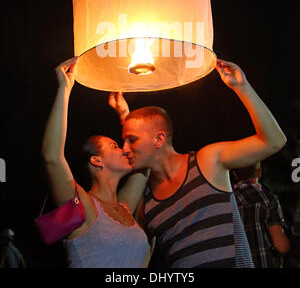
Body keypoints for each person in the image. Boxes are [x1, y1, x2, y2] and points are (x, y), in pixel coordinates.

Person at [111, 59, 287, 268]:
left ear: (159, 139)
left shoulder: (206, 162)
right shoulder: (147, 204)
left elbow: (274, 141)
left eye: (132, 140)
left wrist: (242, 87)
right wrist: (126, 118)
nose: (124, 148)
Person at [41, 56, 153, 268]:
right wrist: (64, 90)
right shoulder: (81, 205)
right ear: (96, 160)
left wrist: (125, 115)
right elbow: (52, 157)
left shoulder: (125, 206)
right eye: (115, 146)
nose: (124, 149)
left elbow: (144, 161)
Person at [231, 162, 290, 267]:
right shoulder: (268, 199)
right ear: (259, 172)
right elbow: (281, 246)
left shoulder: (227, 201)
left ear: (235, 174)